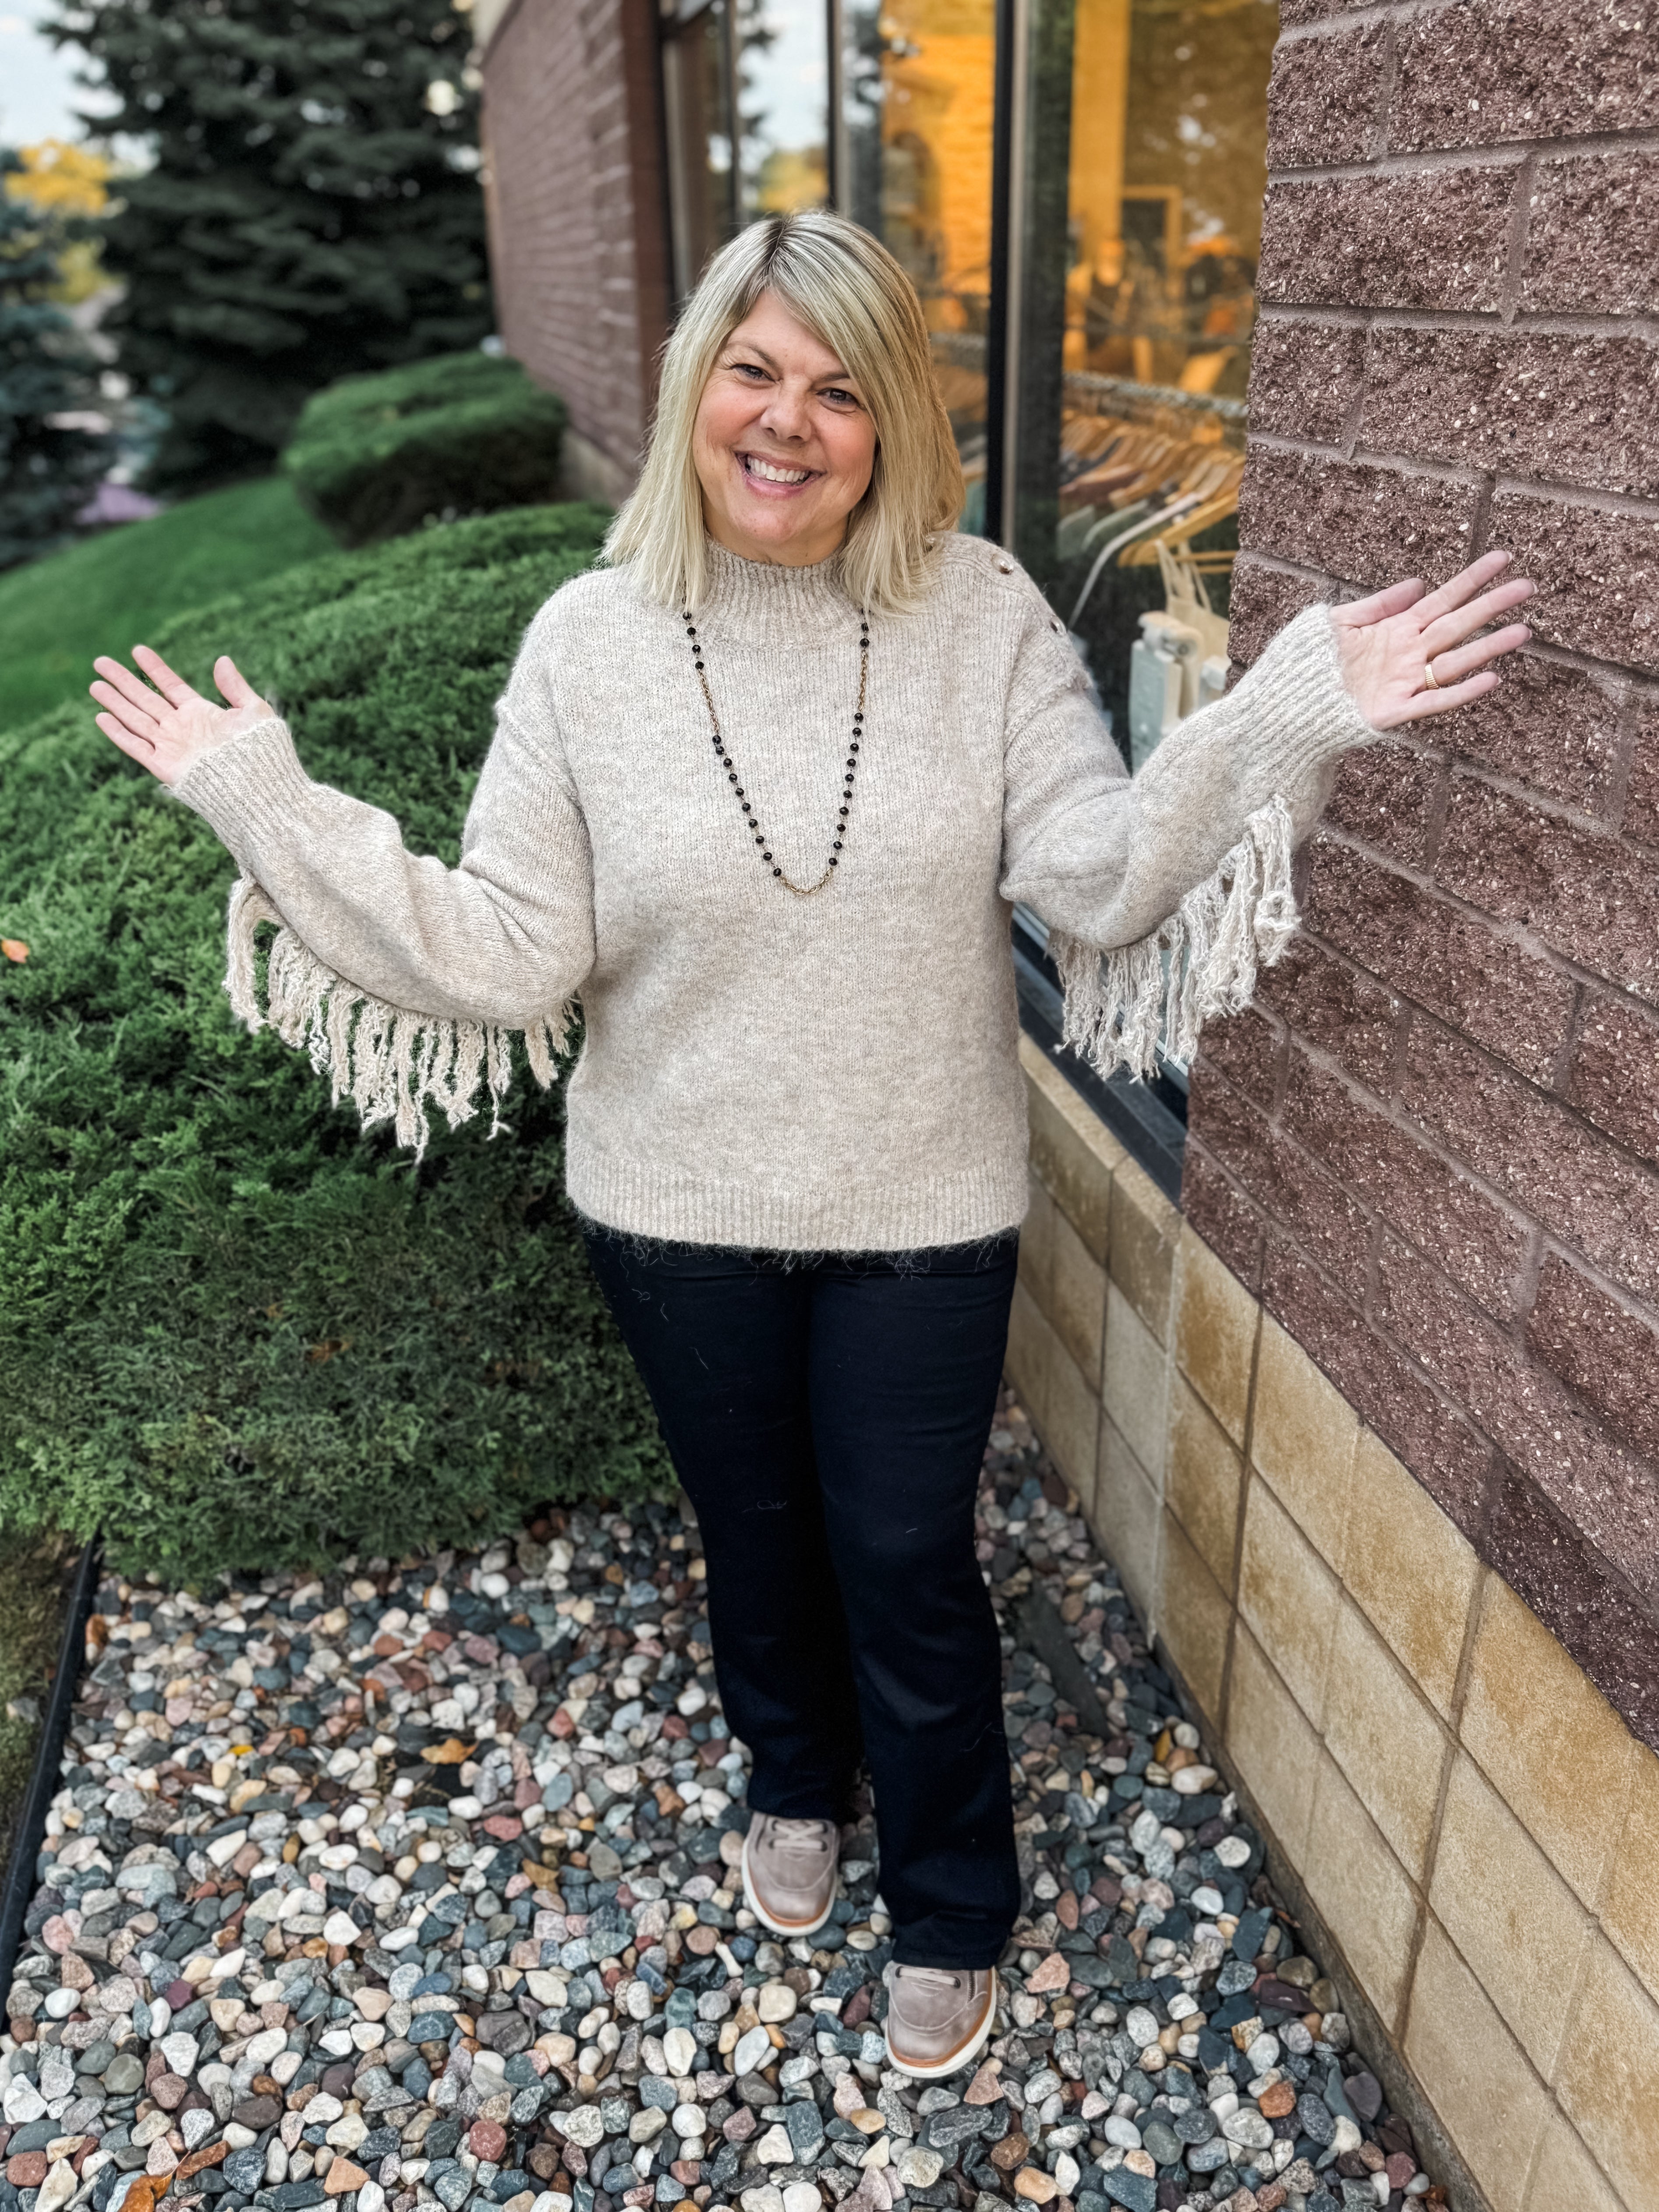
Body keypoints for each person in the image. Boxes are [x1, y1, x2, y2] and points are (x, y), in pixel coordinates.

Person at [90, 210, 1532, 2080]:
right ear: (696, 386)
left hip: (921, 1202)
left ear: (891, 427)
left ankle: (951, 1897)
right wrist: (269, 809)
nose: (788, 421)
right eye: (755, 372)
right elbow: (507, 950)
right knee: (755, 1533)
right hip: (670, 1204)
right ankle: (791, 1775)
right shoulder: (586, 643)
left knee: (909, 1557)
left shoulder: (985, 614)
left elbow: (1097, 881)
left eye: (841, 390)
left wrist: (1274, 718)